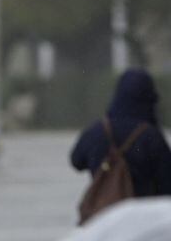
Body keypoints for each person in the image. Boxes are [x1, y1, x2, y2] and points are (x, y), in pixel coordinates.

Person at [70, 68, 171, 199]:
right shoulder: (151, 137)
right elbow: (167, 182)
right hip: (143, 215)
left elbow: (77, 161)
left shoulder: (97, 131)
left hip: (105, 214)